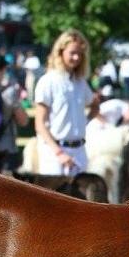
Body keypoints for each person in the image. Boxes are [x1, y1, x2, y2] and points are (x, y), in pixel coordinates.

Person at [34, 29, 96, 176]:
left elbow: (93, 104)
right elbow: (39, 124)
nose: (76, 57)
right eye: (72, 53)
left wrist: (85, 120)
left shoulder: (80, 82)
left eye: (80, 54)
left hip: (79, 150)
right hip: (54, 152)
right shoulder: (48, 81)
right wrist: (59, 153)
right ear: (60, 52)